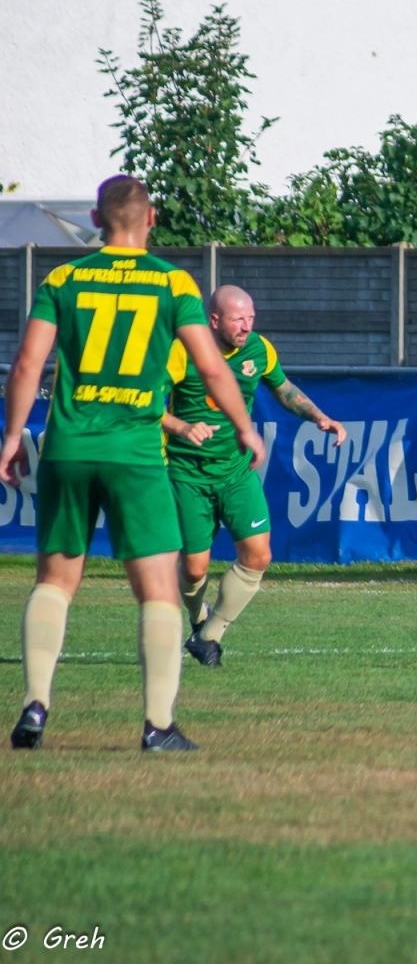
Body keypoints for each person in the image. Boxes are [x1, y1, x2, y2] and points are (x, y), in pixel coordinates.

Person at [4, 176, 264, 753]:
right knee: (157, 591)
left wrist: (13, 435)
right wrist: (245, 427)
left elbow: (26, 364)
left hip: (69, 447)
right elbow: (211, 367)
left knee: (54, 581)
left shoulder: (63, 279)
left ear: (96, 219)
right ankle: (157, 725)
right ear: (151, 219)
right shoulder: (172, 282)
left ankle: (36, 705)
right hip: (136, 453)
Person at [162, 285, 348, 667]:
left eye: (251, 318)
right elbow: (145, 403)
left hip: (237, 470)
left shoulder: (259, 349)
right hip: (187, 472)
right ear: (214, 320)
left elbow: (284, 388)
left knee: (259, 555)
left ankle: (209, 636)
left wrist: (319, 417)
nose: (247, 326)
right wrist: (181, 427)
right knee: (194, 568)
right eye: (238, 319)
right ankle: (198, 617)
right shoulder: (181, 350)